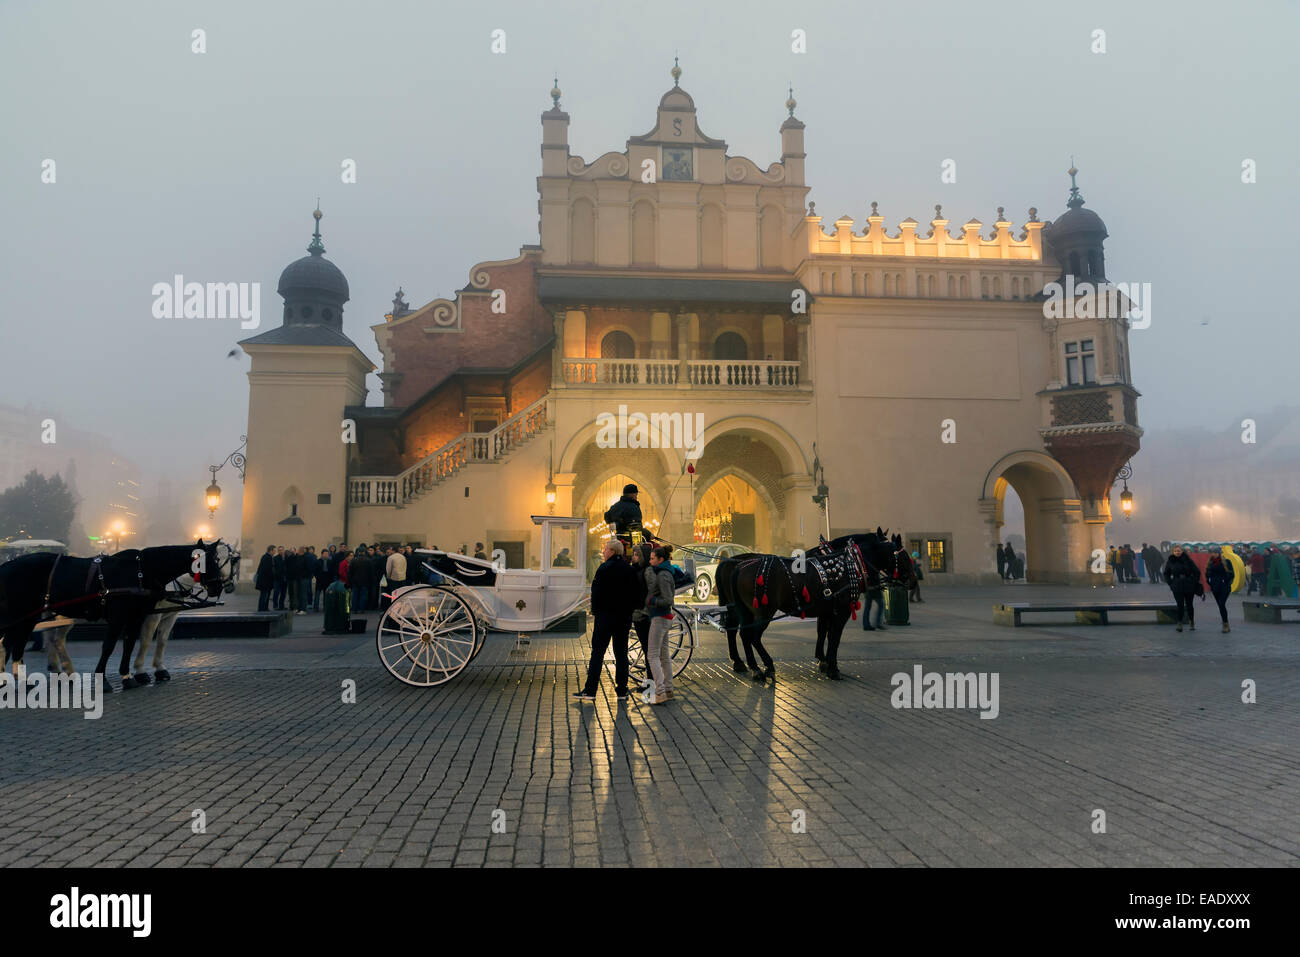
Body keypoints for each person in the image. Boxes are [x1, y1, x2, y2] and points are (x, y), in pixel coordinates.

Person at [574, 540, 640, 701]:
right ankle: (622, 690)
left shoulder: (603, 569)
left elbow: (595, 593)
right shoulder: (629, 570)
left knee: (597, 653)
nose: (603, 552)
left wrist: (595, 611)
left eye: (605, 549)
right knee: (621, 653)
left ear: (611, 551)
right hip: (623, 618)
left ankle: (590, 690)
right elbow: (635, 594)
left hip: (605, 617)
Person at [643, 545, 677, 704]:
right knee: (664, 655)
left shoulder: (663, 574)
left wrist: (652, 601)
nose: (650, 561)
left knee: (652, 655)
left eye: (652, 558)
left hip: (660, 616)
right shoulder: (665, 572)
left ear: (660, 559)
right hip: (664, 617)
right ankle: (669, 689)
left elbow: (668, 599)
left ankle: (660, 691)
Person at [629, 542, 654, 687]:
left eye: (637, 554)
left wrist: (645, 609)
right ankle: (648, 681)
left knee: (648, 649)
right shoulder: (637, 569)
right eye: (633, 554)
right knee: (646, 649)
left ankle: (650, 683)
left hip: (644, 614)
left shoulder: (647, 571)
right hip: (638, 613)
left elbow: (651, 591)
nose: (634, 557)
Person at [1163, 545, 1201, 633]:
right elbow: (1166, 573)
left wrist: (1193, 581)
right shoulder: (1170, 561)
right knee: (1180, 605)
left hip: (1188, 585)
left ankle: (1191, 622)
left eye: (1179, 551)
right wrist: (1170, 583)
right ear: (1173, 552)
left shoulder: (1188, 560)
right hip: (1177, 585)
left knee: (1189, 605)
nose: (1177, 552)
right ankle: (1179, 623)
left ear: (1182, 551)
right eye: (1175, 551)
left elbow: (1197, 571)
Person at [604, 483, 644, 549]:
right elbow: (636, 527)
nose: (636, 496)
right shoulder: (633, 507)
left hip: (618, 542)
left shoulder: (615, 506)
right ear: (632, 494)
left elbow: (607, 517)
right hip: (630, 543)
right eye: (636, 494)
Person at [1205, 551, 1234, 633]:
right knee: (1221, 606)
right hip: (1215, 587)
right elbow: (1207, 574)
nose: (1214, 554)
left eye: (1215, 552)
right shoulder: (1210, 563)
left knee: (1221, 604)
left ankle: (1225, 624)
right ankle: (1226, 623)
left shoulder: (1227, 561)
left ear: (1219, 553)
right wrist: (1210, 582)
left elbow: (1232, 573)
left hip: (1224, 586)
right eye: (1212, 552)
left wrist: (1226, 581)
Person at [255, 545, 275, 611]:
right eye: (274, 550)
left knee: (266, 595)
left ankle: (265, 608)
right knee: (264, 595)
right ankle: (261, 609)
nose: (275, 552)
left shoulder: (266, 556)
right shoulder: (267, 557)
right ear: (271, 550)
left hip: (265, 581)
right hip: (265, 581)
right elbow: (267, 570)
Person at [350, 546, 371, 613]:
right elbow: (371, 572)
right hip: (365, 581)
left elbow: (350, 572)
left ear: (358, 552)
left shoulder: (353, 560)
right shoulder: (368, 561)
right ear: (364, 552)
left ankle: (354, 609)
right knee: (363, 596)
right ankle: (361, 609)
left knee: (355, 596)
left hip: (355, 581)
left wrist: (350, 580)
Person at [314, 546, 332, 611]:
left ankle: (325, 607)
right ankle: (316, 607)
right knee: (317, 594)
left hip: (327, 580)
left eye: (327, 554)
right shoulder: (318, 561)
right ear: (322, 554)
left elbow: (331, 571)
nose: (326, 555)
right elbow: (315, 571)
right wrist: (317, 577)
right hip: (319, 580)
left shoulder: (330, 561)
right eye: (325, 554)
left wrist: (330, 579)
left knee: (326, 595)